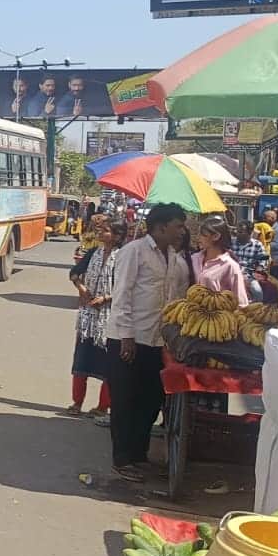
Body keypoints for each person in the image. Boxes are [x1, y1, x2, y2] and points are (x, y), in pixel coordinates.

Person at [106, 202, 190, 483]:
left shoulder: (176, 259)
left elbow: (177, 299)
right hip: (130, 338)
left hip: (159, 342)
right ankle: (122, 459)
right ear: (161, 226)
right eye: (178, 225)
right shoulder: (134, 251)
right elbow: (122, 295)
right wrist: (127, 336)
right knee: (125, 402)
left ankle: (139, 455)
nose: (182, 231)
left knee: (151, 401)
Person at [67, 218, 121, 420]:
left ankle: (102, 406)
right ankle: (76, 402)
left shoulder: (123, 257)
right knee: (81, 360)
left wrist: (106, 298)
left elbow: (126, 287)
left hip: (110, 317)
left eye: (106, 231)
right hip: (88, 316)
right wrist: (81, 288)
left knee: (108, 366)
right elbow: (74, 273)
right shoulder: (93, 253)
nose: (100, 232)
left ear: (117, 236)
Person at [191, 215, 251, 307]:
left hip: (217, 317)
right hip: (192, 315)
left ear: (216, 236)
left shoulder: (230, 265)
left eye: (203, 235)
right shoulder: (194, 259)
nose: (199, 238)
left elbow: (241, 301)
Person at [230, 218, 271, 302]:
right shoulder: (231, 243)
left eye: (241, 232)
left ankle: (256, 309)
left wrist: (259, 268)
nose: (237, 233)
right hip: (230, 273)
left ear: (249, 233)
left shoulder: (257, 245)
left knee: (257, 292)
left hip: (248, 275)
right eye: (237, 231)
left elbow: (263, 260)